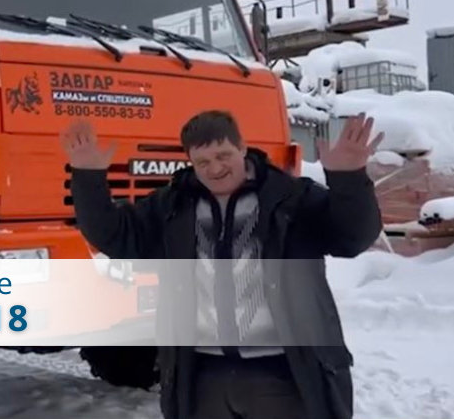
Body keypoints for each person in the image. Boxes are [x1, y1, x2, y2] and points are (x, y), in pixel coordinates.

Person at [61, 110, 385, 419]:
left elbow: (352, 238)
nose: (214, 168)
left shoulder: (291, 199)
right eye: (202, 162)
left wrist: (349, 179)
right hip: (203, 378)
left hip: (285, 375)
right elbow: (116, 236)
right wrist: (88, 178)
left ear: (242, 148)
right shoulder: (173, 206)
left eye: (223, 155)